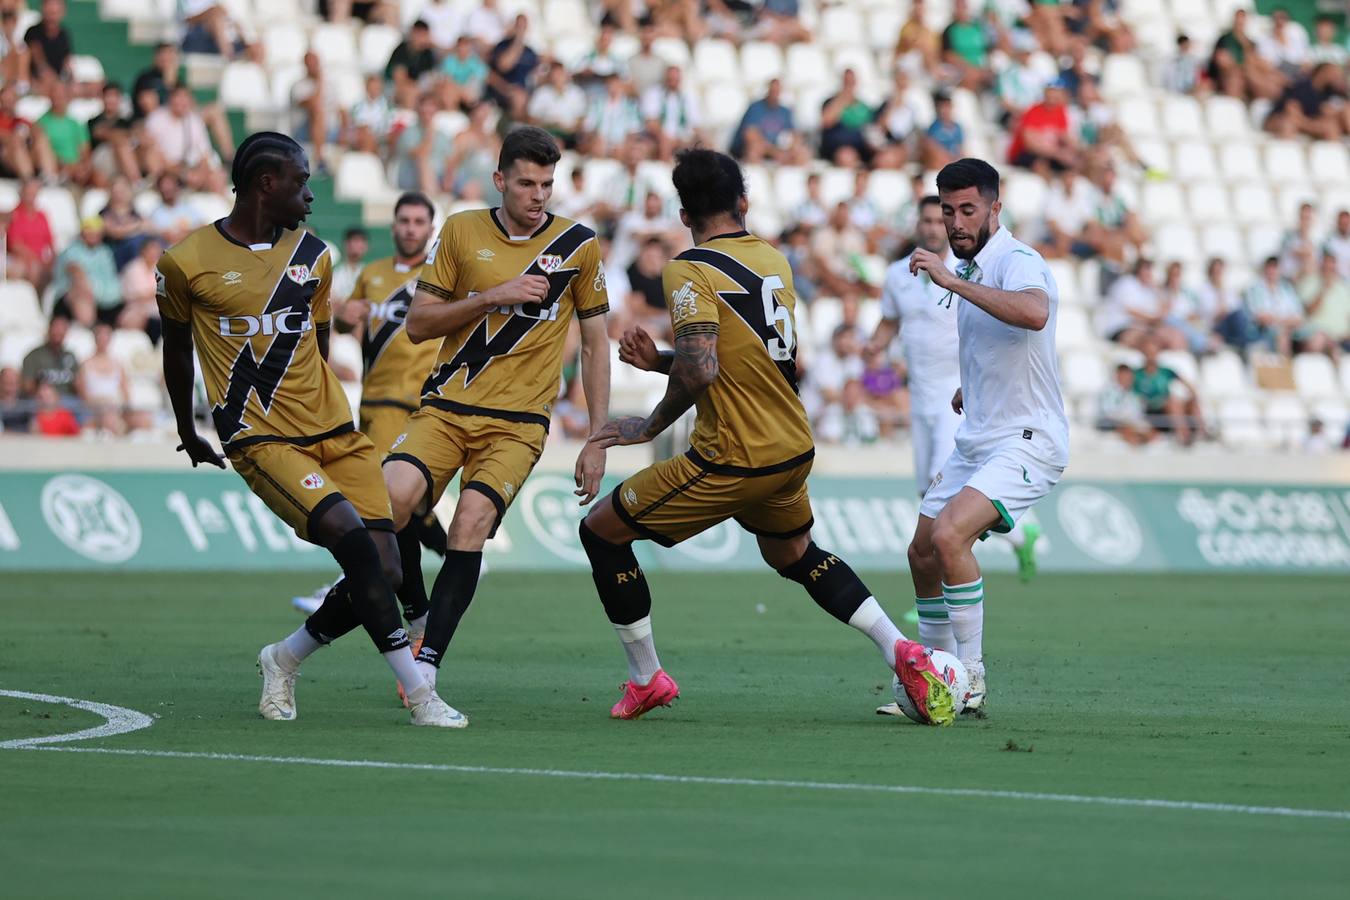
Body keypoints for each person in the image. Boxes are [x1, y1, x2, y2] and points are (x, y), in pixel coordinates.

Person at [579, 147, 954, 724]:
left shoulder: (689, 269)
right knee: (794, 552)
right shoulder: (774, 260)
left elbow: (702, 368)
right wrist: (661, 362)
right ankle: (902, 649)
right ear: (743, 203)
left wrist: (649, 422)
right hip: (791, 447)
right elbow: (743, 355)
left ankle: (646, 677)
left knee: (601, 532)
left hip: (734, 456)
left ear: (684, 216)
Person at [155, 131, 460, 727]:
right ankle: (421, 696)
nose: (311, 195)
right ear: (267, 185)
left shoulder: (313, 256)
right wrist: (189, 429)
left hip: (337, 432)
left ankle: (284, 658)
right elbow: (176, 353)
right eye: (301, 182)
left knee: (390, 567)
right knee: (354, 546)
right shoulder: (185, 263)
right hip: (262, 438)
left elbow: (316, 345)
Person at [380, 126, 612, 717]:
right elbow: (419, 325)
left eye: (548, 184)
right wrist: (492, 296)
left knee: (470, 526)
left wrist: (597, 437)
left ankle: (425, 667)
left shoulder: (579, 246)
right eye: (527, 183)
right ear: (500, 180)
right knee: (387, 506)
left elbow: (593, 346)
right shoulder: (460, 230)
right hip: (446, 407)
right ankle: (382, 622)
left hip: (517, 424)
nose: (539, 195)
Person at [904, 158, 1069, 715]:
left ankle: (970, 677)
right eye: (948, 211)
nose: (955, 222)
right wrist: (969, 388)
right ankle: (932, 680)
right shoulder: (971, 269)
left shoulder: (1016, 259)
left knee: (950, 536)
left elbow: (1033, 313)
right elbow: (997, 346)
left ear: (996, 208)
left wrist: (948, 280)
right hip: (980, 433)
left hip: (1028, 438)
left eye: (968, 210)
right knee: (923, 552)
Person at [869, 193, 1041, 589]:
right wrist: (875, 345)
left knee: (941, 487)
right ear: (918, 224)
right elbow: (889, 321)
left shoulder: (968, 272)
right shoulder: (899, 274)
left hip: (954, 392)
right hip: (919, 394)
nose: (933, 227)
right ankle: (1019, 534)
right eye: (927, 221)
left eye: (938, 220)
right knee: (925, 491)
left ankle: (944, 590)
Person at [290, 193, 445, 621]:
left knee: (381, 501)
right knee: (393, 504)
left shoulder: (440, 278)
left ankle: (356, 583)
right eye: (404, 221)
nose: (411, 228)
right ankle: (445, 568)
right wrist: (344, 316)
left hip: (419, 404)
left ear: (430, 229)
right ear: (393, 227)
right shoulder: (372, 275)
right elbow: (340, 326)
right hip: (375, 400)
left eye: (418, 221)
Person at [1133, 337, 1206, 446]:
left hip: (1169, 408)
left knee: (1189, 401)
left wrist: (1193, 395)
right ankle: (1182, 435)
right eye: (1148, 352)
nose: (1151, 355)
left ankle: (1202, 433)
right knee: (1172, 401)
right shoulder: (1137, 374)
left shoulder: (1166, 371)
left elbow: (1188, 386)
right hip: (1151, 409)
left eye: (1153, 351)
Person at [52, 216, 122, 327]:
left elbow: (111, 279)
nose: (92, 236)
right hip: (73, 298)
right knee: (83, 303)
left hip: (101, 299)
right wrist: (91, 291)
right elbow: (76, 272)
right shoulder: (72, 250)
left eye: (95, 232)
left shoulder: (104, 252)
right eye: (89, 232)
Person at [76, 322, 130, 436]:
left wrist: (117, 408)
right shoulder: (85, 364)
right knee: (107, 415)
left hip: (114, 409)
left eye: (106, 337)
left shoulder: (118, 364)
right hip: (94, 410)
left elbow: (126, 394)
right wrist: (101, 405)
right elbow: (82, 395)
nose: (103, 340)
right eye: (100, 336)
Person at [1096, 363, 1155, 446]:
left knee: (1153, 433)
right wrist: (1127, 420)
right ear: (1117, 376)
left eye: (1129, 377)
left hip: (1131, 422)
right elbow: (1108, 413)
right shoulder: (1108, 392)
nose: (1128, 379)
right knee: (1129, 432)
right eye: (1125, 376)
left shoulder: (1133, 394)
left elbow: (1137, 414)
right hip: (1110, 422)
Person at [21, 315, 78, 398]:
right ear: (49, 329)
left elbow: (78, 383)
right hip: (41, 401)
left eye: (62, 329)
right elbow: (27, 386)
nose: (59, 332)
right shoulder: (34, 356)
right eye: (56, 328)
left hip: (67, 402)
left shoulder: (70, 356)